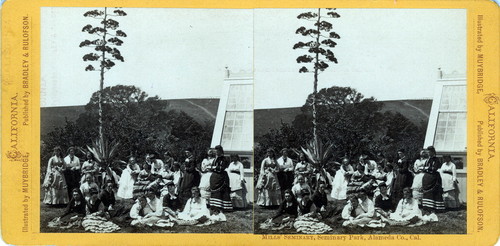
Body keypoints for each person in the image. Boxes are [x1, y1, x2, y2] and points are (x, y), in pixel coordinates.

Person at [209, 145, 233, 213]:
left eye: (217, 151)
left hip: (221, 176)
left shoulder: (224, 159)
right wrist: (212, 168)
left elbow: (222, 168)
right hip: (214, 176)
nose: (216, 152)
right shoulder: (215, 159)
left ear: (220, 151)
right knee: (213, 189)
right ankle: (214, 206)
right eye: (215, 151)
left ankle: (221, 206)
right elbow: (212, 166)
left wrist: (215, 168)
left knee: (221, 191)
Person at [422, 146, 445, 212]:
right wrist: (425, 169)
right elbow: (424, 167)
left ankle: (434, 207)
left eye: (429, 152)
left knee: (433, 191)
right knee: (426, 191)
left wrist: (427, 168)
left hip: (434, 177)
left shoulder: (436, 159)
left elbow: (435, 168)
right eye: (428, 152)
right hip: (427, 177)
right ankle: (426, 206)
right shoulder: (427, 159)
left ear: (433, 152)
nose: (428, 153)